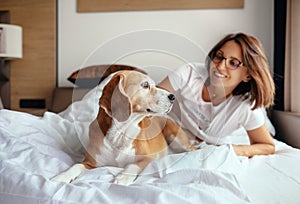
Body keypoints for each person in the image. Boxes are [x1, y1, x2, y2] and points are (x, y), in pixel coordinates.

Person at [158, 32, 275, 158]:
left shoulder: (246, 106)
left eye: (233, 63)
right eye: (219, 57)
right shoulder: (189, 73)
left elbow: (267, 146)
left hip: (208, 150)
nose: (220, 66)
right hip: (168, 136)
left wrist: (229, 150)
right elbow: (152, 100)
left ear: (247, 75)